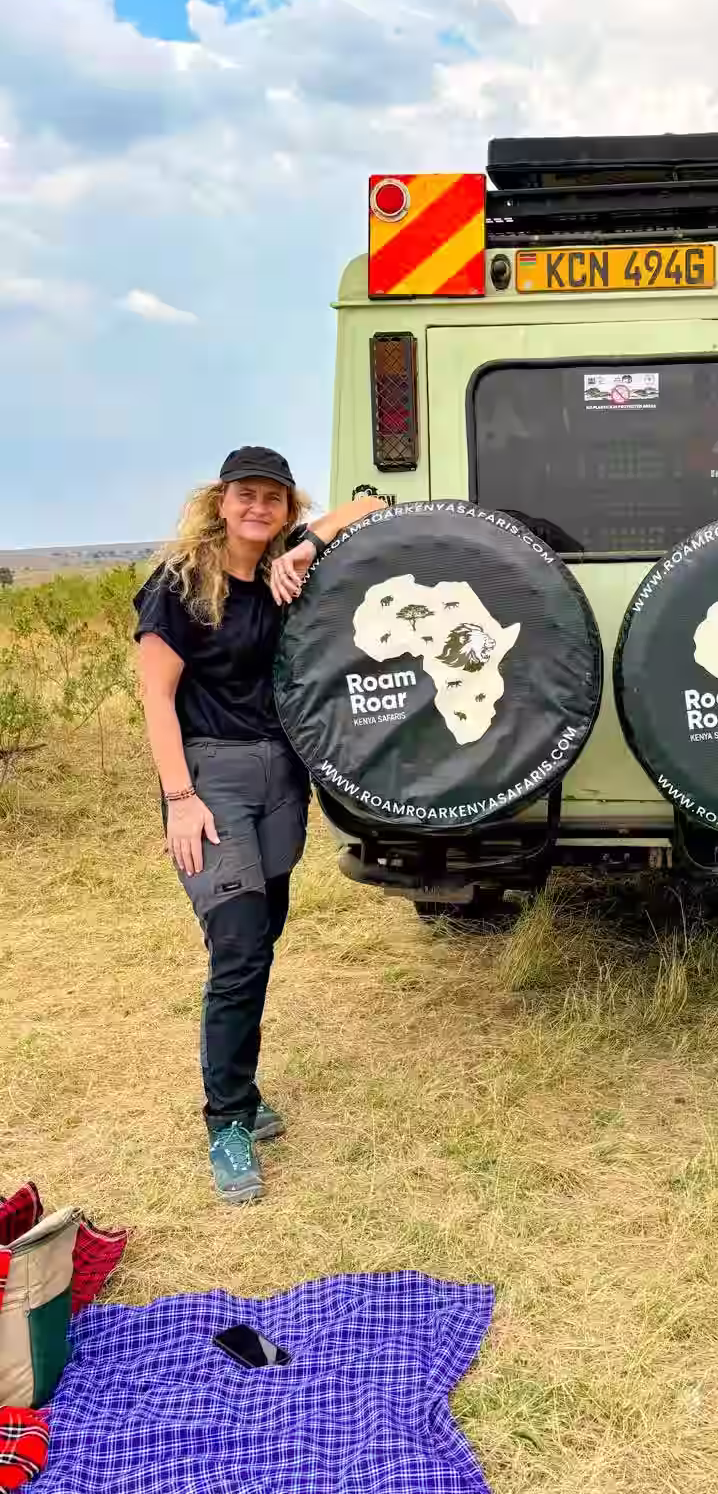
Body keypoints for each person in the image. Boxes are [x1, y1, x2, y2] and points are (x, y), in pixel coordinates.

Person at [134, 447, 384, 1204]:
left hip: (282, 778)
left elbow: (372, 504)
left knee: (262, 938)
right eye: (246, 496)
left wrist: (308, 546)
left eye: (274, 499)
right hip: (211, 782)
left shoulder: (283, 568)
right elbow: (155, 698)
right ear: (220, 501)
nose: (259, 509)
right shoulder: (180, 585)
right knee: (238, 946)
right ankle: (229, 1122)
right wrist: (181, 797)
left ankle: (238, 1084)